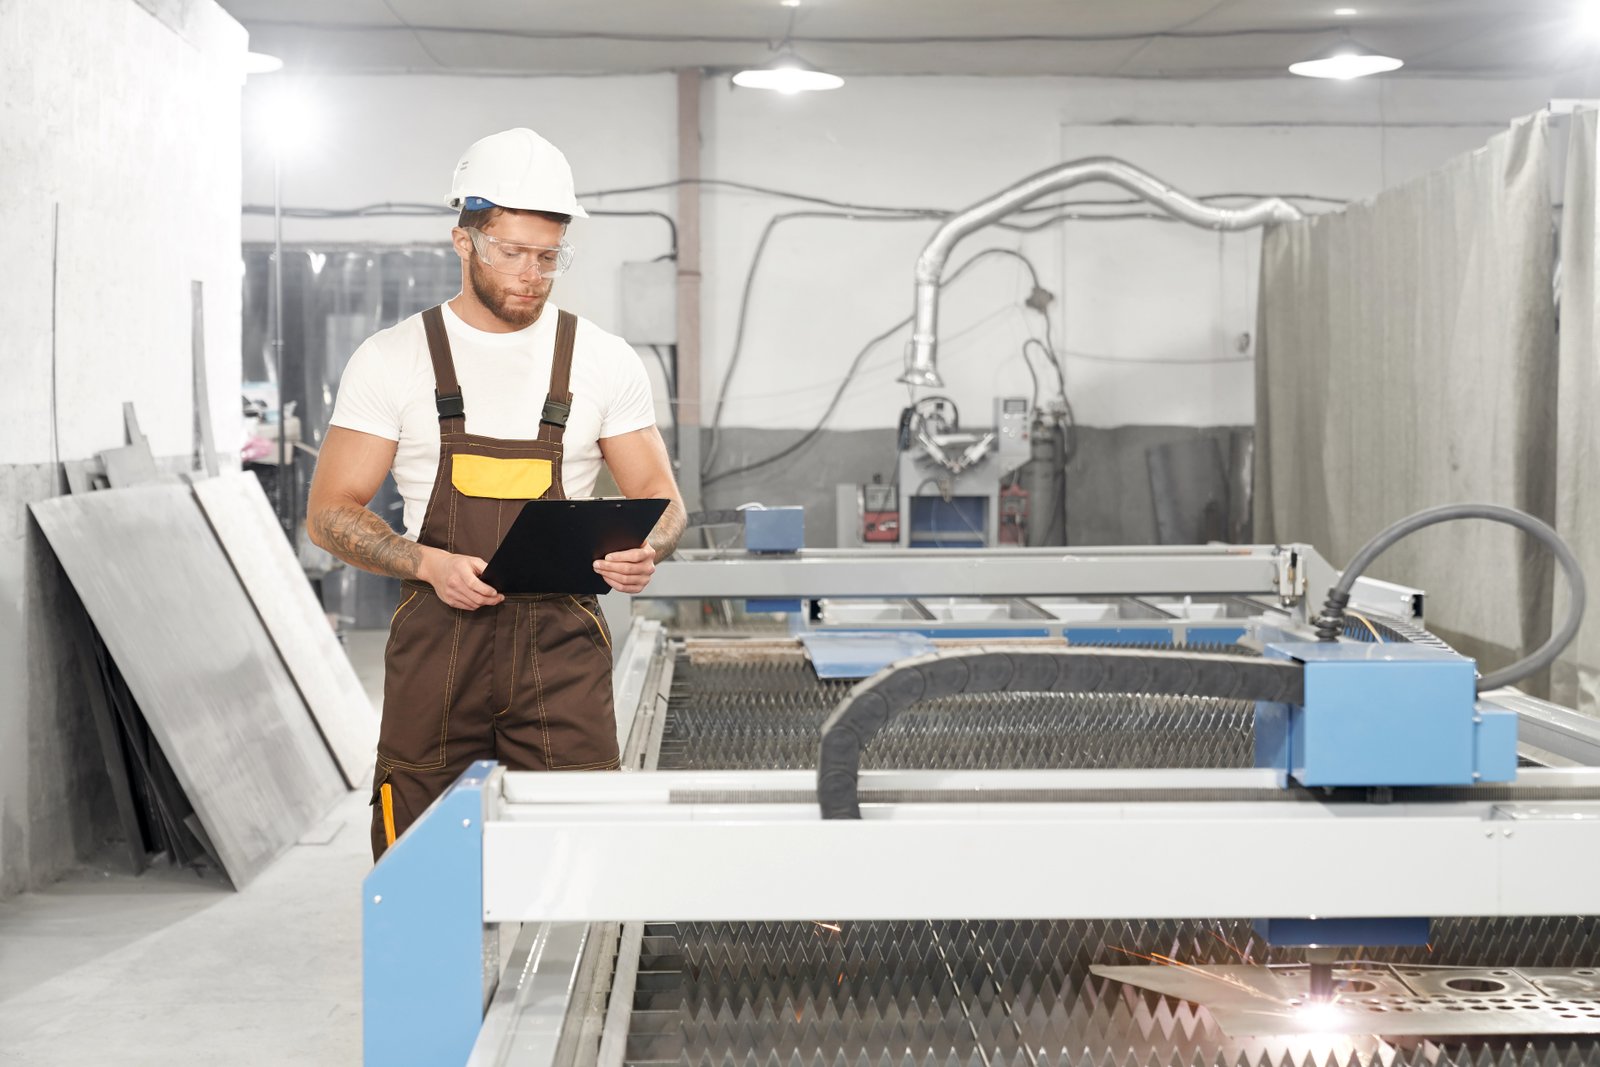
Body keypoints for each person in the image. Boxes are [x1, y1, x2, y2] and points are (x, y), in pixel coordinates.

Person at [305, 127, 685, 859]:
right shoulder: (393, 358)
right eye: (512, 252)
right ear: (464, 240)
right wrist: (426, 564)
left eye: (549, 257)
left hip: (561, 647)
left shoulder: (602, 360)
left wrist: (648, 550)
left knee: (583, 854)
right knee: (417, 856)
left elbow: (663, 500)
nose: (531, 274)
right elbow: (329, 512)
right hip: (438, 641)